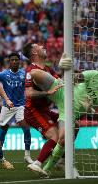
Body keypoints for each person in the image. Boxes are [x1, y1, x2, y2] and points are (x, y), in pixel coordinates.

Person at [28, 55, 98, 174]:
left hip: (70, 112)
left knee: (63, 138)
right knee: (34, 73)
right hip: (62, 91)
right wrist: (72, 75)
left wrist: (90, 109)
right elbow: (77, 77)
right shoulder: (97, 74)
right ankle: (41, 100)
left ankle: (45, 168)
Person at [22, 43, 62, 177]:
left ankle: (60, 158)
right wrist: (47, 93)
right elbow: (29, 93)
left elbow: (60, 84)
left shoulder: (49, 70)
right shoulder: (31, 70)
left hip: (45, 110)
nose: (42, 45)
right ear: (34, 52)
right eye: (38, 45)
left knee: (73, 125)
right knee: (54, 135)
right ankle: (37, 163)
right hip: (33, 110)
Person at [0, 52, 33, 164]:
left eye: (16, 60)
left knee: (26, 128)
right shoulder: (3, 74)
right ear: (9, 62)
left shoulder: (24, 73)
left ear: (19, 61)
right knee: (3, 131)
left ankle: (27, 155)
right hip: (8, 106)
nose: (15, 61)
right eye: (12, 60)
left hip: (21, 106)